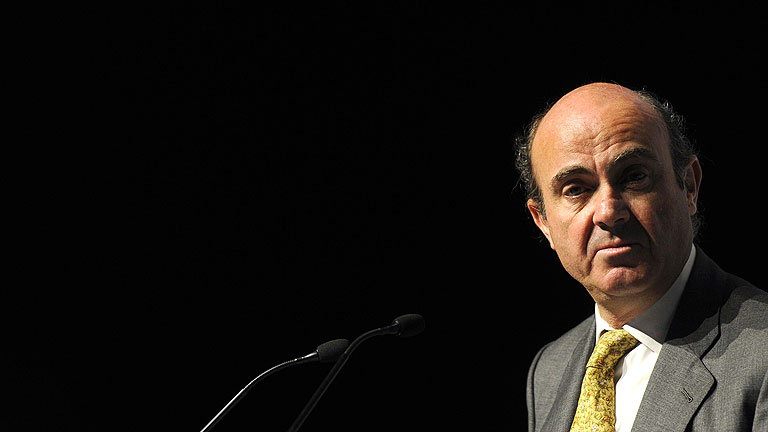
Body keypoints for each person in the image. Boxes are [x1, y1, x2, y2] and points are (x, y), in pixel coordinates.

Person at [515, 82, 768, 432]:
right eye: (575, 189)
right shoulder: (548, 369)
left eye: (634, 176)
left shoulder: (761, 354)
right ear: (543, 222)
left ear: (689, 186)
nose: (608, 211)